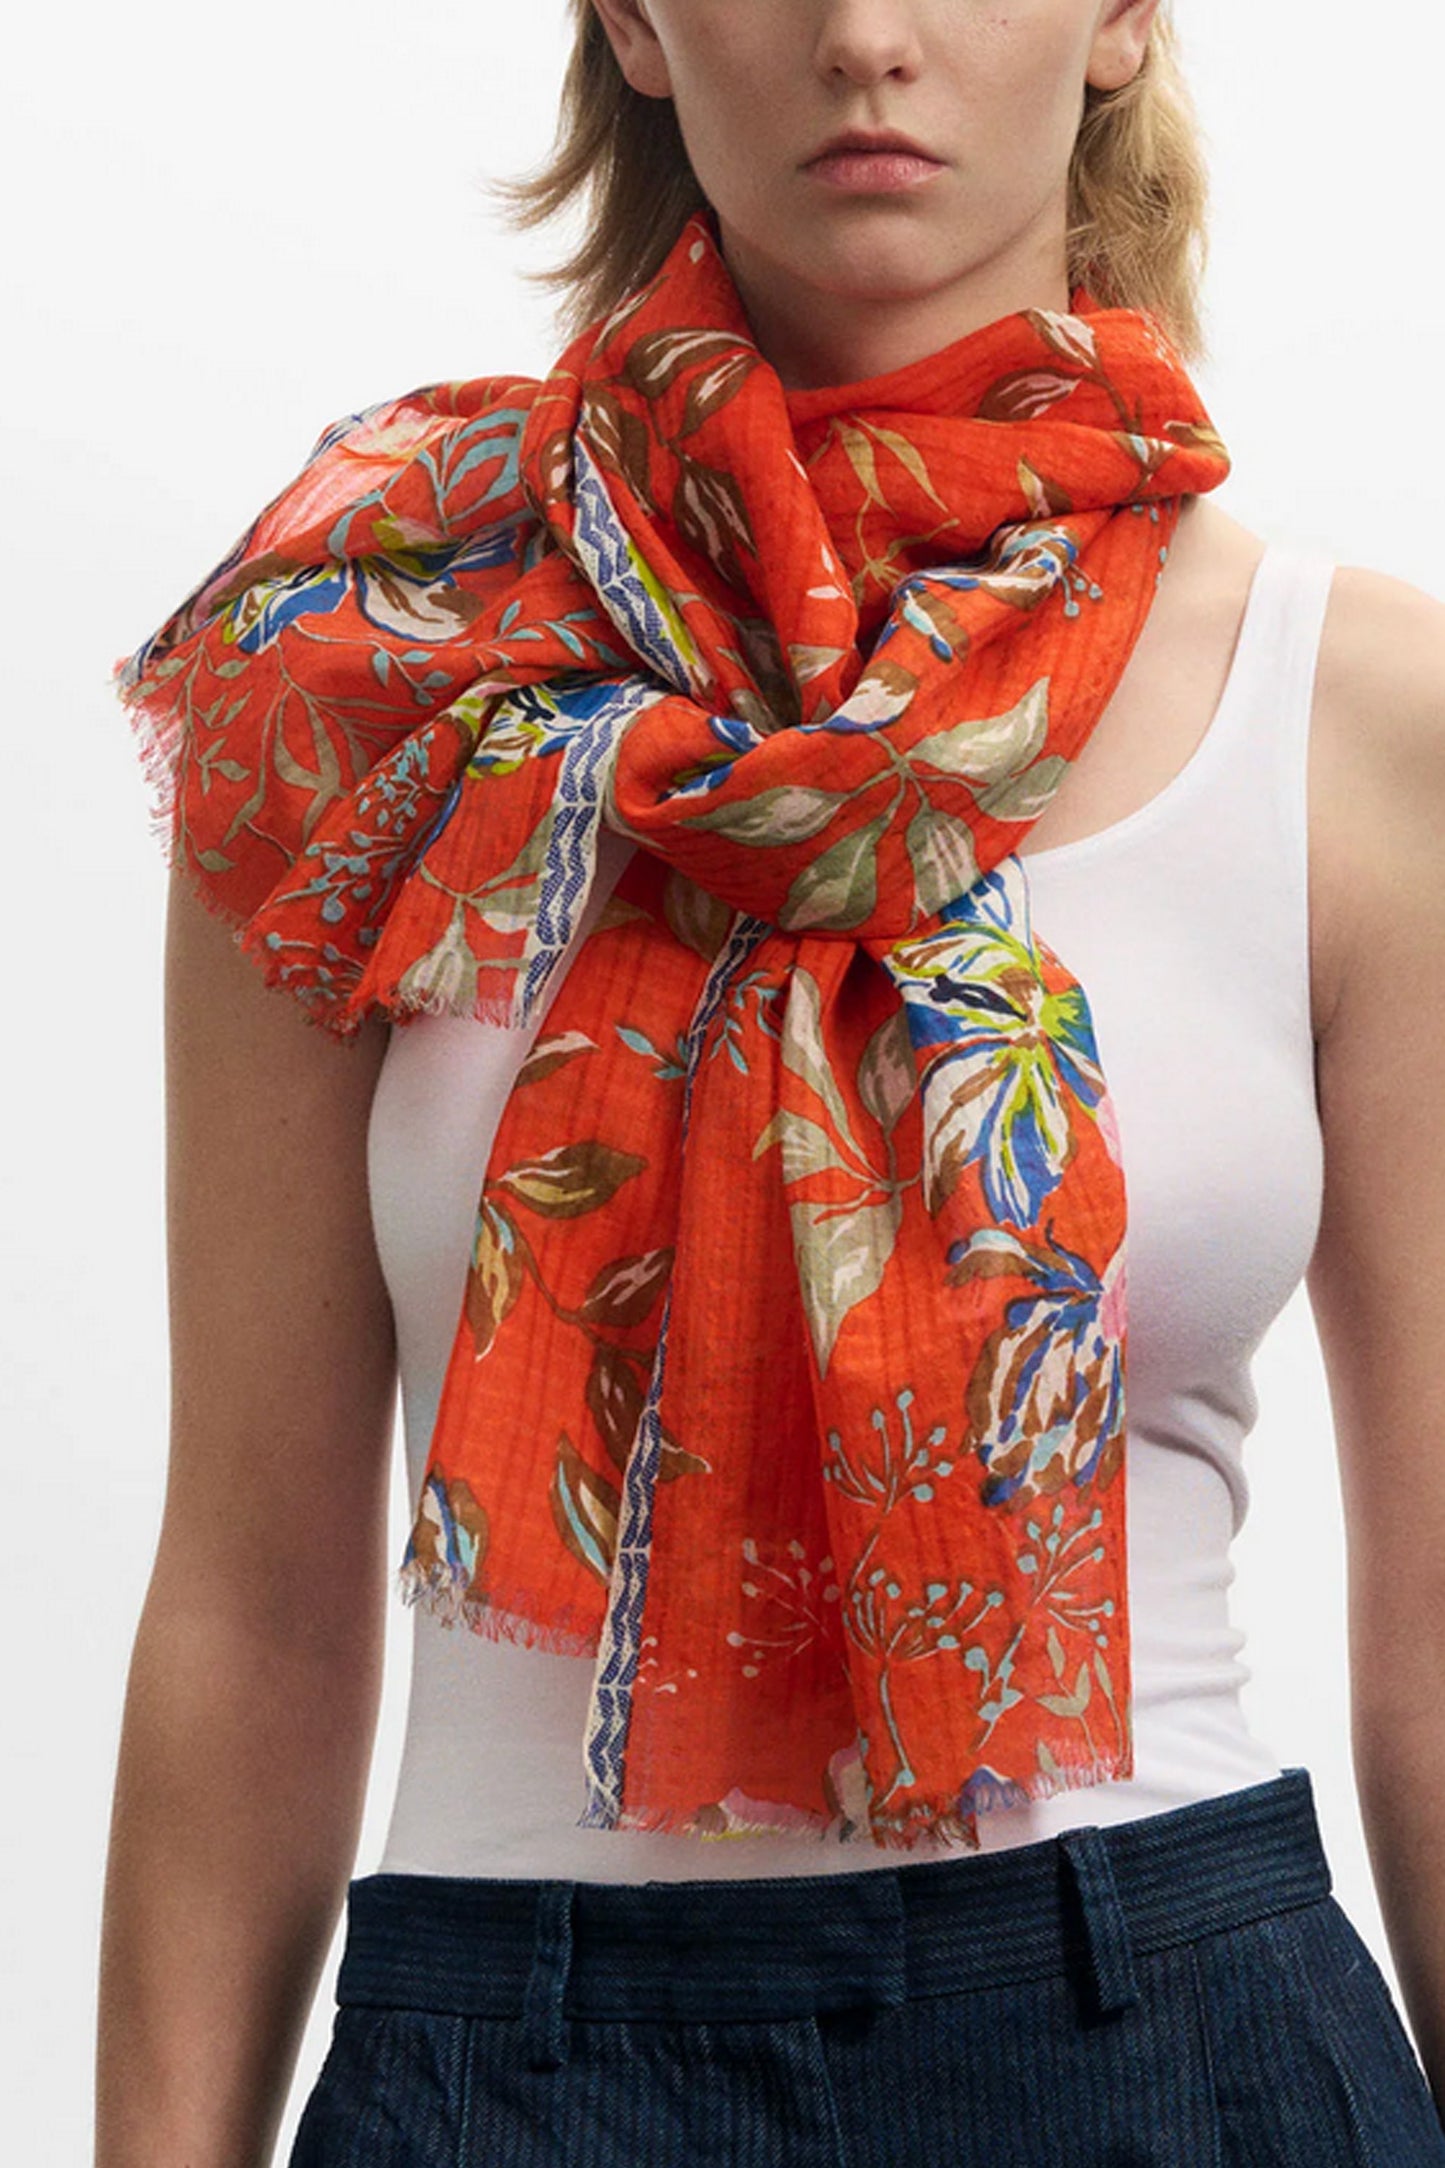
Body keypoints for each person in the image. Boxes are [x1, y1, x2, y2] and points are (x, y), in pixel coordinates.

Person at [94, 2, 1445, 2163]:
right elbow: (253, 1603)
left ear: (1118, 17)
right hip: (508, 2074)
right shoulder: (368, 678)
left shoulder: (1356, 715)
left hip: (1178, 2040)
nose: (863, 35)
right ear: (631, 20)